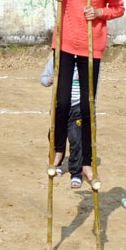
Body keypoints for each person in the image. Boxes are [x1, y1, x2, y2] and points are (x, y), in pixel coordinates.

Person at [38, 0, 125, 185]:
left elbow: (118, 8)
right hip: (64, 45)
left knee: (87, 106)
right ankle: (58, 150)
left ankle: (86, 161)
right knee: (62, 102)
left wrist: (99, 12)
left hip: (91, 47)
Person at [41, 56, 83, 188]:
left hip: (78, 106)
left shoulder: (85, 61)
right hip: (60, 105)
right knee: (55, 135)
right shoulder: (57, 58)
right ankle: (57, 164)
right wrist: (50, 80)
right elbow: (42, 79)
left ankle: (76, 173)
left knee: (76, 139)